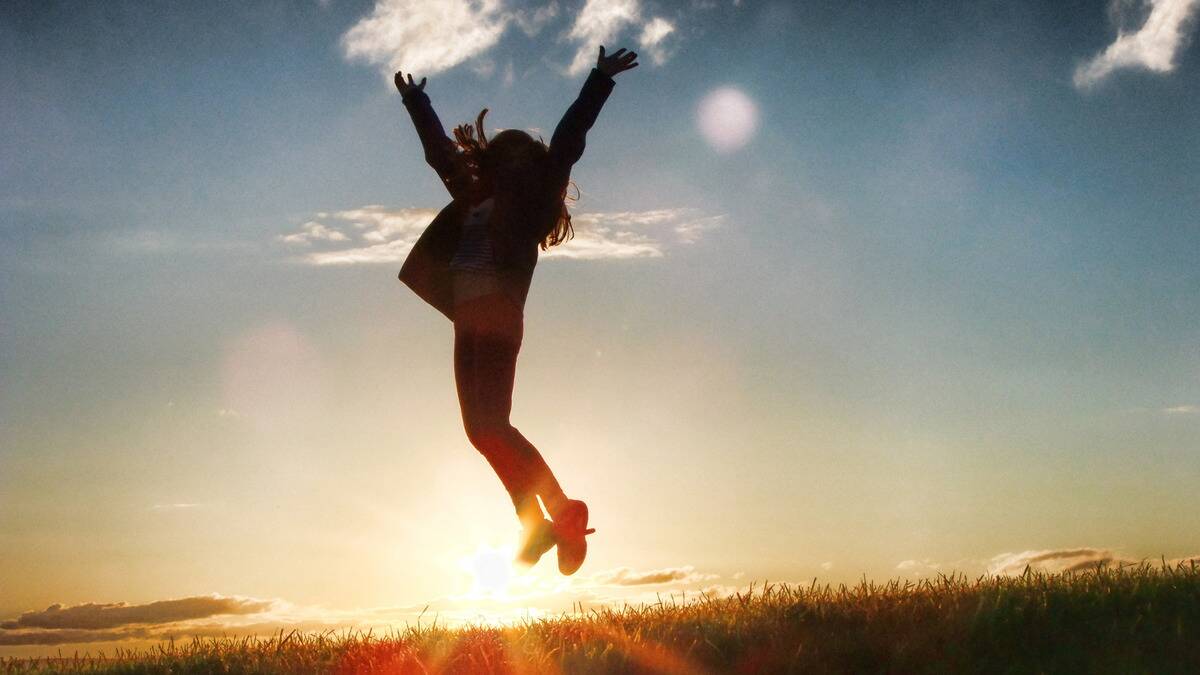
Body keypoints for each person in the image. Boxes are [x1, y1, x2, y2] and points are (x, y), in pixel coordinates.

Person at [394, 47, 638, 575]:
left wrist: (598, 79)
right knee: (481, 430)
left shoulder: (533, 199)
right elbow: (441, 155)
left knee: (495, 425)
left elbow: (569, 141)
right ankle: (547, 521)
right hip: (468, 319)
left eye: (519, 154)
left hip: (498, 316)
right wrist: (416, 101)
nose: (510, 159)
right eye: (504, 153)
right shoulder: (472, 192)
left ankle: (551, 515)